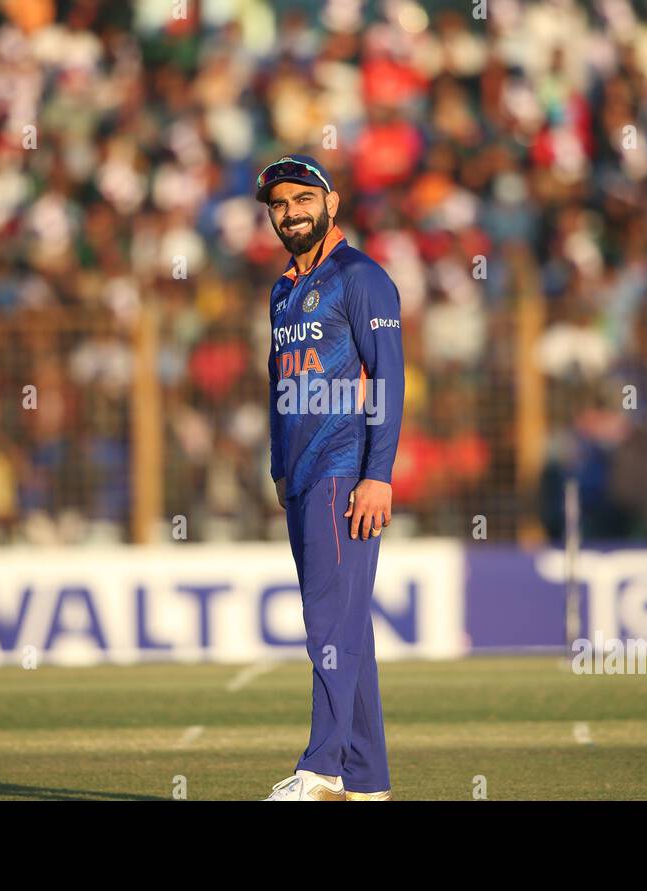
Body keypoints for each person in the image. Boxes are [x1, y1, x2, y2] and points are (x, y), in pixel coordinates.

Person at [256, 154, 404, 801]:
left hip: (347, 472)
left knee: (328, 622)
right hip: (303, 476)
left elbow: (390, 380)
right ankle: (367, 780)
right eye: (279, 205)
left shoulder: (362, 278)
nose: (291, 213)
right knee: (347, 625)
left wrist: (378, 475)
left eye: (302, 200)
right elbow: (278, 381)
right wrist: (279, 464)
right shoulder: (282, 290)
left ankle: (322, 770)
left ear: (332, 204)